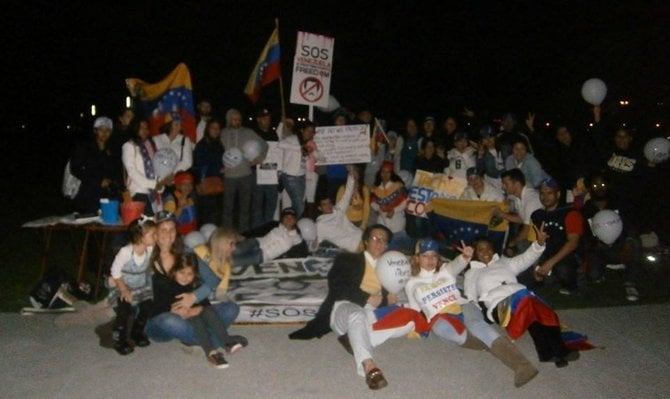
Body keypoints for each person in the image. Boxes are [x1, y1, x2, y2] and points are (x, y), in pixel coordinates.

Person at [290, 225, 420, 390]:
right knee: (357, 316)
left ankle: (354, 337)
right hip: (346, 308)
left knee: (409, 319)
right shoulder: (347, 259)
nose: (380, 243)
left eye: (384, 241)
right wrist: (366, 297)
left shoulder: (390, 265)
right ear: (366, 241)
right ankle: (369, 365)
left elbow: (396, 286)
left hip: (372, 314)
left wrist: (390, 297)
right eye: (375, 238)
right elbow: (337, 286)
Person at [405, 239, 538, 387]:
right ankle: (487, 344)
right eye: (425, 255)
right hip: (441, 315)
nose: (430, 260)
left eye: (433, 255)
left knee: (476, 325)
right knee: (448, 333)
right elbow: (414, 310)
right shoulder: (411, 283)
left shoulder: (445, 271)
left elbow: (458, 264)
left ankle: (523, 365)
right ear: (417, 258)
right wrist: (415, 328)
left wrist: (465, 256)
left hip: (462, 305)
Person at [464, 228, 580, 368]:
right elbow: (470, 297)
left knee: (538, 313)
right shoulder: (472, 273)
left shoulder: (505, 263)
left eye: (488, 249)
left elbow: (526, 258)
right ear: (475, 252)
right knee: (529, 300)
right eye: (481, 249)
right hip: (500, 308)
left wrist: (539, 243)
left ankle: (550, 352)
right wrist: (481, 316)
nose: (486, 252)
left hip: (523, 301)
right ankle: (556, 349)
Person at [145, 213, 242, 350]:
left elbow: (213, 280)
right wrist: (171, 310)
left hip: (193, 313)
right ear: (155, 232)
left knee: (232, 308)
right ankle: (221, 340)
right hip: (162, 318)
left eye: (172, 229)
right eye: (164, 229)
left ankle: (194, 339)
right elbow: (141, 298)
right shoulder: (144, 257)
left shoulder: (186, 252)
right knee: (169, 321)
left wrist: (194, 297)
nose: (169, 234)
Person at [152, 253, 248, 368]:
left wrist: (198, 308)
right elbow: (158, 307)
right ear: (174, 271)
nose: (185, 277)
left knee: (221, 309)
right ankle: (212, 351)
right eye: (181, 272)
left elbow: (205, 305)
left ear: (195, 274)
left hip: (199, 316)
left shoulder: (196, 283)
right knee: (191, 320)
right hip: (181, 320)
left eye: (190, 274)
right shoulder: (166, 284)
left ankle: (225, 341)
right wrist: (172, 310)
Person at [581, 173, 640, 301]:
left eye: (602, 184)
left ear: (608, 186)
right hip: (600, 248)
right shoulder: (587, 208)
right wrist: (595, 244)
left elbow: (630, 224)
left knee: (634, 243)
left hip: (621, 244)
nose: (599, 188)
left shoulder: (618, 203)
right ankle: (603, 269)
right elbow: (586, 234)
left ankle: (630, 282)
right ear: (590, 188)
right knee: (593, 276)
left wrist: (628, 241)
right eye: (595, 185)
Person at [107, 218, 157, 355]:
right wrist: (124, 290)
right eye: (153, 234)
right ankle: (119, 339)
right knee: (124, 310)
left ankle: (137, 332)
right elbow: (115, 271)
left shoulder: (150, 249)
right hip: (123, 285)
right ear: (141, 237)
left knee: (147, 306)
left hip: (140, 285)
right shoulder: (126, 252)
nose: (156, 237)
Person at [529, 178, 584, 295]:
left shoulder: (570, 213)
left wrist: (550, 263)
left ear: (558, 194)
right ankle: (550, 281)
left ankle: (574, 283)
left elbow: (573, 243)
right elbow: (536, 243)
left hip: (567, 257)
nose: (545, 197)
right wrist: (535, 266)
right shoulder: (537, 215)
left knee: (562, 270)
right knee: (527, 271)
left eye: (549, 193)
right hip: (546, 254)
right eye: (542, 193)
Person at [220, 108, 268, 233]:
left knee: (245, 208)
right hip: (228, 176)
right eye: (234, 119)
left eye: (239, 120)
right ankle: (226, 234)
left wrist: (259, 158)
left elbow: (264, 144)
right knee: (227, 208)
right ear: (229, 120)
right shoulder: (222, 133)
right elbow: (216, 152)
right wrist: (219, 167)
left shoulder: (248, 132)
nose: (237, 122)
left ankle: (244, 234)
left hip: (245, 175)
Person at [69, 116, 123, 213]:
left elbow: (116, 169)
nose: (104, 133)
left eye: (108, 131)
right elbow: (75, 168)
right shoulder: (84, 147)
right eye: (101, 130)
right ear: (95, 131)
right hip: (88, 194)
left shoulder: (112, 148)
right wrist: (97, 181)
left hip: (108, 194)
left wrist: (113, 182)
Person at [122, 118, 172, 216]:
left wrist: (161, 182)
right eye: (141, 128)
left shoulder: (150, 145)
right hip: (138, 192)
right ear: (135, 129)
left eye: (146, 128)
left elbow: (156, 168)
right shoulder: (129, 146)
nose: (145, 130)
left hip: (153, 192)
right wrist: (153, 184)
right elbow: (132, 172)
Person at [231, 207, 303, 266]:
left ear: (295, 221)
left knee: (232, 262)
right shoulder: (274, 224)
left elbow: (302, 252)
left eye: (291, 218)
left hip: (261, 256)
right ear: (282, 219)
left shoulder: (296, 238)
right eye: (286, 217)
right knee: (235, 250)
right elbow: (258, 230)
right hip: (256, 243)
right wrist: (243, 235)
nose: (288, 220)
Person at [315, 166, 364, 252]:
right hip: (354, 248)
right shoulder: (319, 225)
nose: (328, 206)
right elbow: (315, 244)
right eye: (324, 204)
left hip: (362, 235)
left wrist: (351, 173)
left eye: (329, 203)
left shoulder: (337, 210)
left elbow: (348, 193)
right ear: (319, 208)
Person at [495, 168, 542, 255]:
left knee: (515, 247)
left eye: (506, 184)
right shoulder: (517, 197)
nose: (503, 187)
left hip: (540, 238)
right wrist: (502, 214)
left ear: (516, 184)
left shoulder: (531, 200)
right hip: (532, 235)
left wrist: (511, 243)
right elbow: (521, 218)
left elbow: (525, 232)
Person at [370, 161, 411, 251]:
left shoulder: (398, 186)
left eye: (388, 172)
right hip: (382, 221)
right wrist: (379, 208)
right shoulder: (376, 188)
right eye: (383, 171)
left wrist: (394, 210)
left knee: (396, 246)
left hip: (397, 222)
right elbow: (372, 202)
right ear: (380, 173)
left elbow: (405, 202)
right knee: (383, 246)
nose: (385, 174)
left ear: (391, 173)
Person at [192, 117, 225, 225]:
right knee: (206, 216)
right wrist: (219, 169)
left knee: (217, 216)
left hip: (217, 186)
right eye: (213, 128)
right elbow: (200, 165)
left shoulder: (219, 145)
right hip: (206, 185)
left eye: (218, 128)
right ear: (207, 129)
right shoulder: (202, 145)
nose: (216, 130)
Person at [252, 108, 279, 229]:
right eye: (264, 118)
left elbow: (277, 154)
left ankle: (267, 228)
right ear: (258, 119)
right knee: (257, 203)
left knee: (272, 202)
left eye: (268, 118)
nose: (266, 120)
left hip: (271, 172)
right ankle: (257, 230)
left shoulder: (274, 134)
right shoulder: (252, 134)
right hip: (256, 173)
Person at [277, 118, 307, 218]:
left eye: (290, 126)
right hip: (287, 174)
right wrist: (281, 122)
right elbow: (279, 143)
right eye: (286, 126)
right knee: (291, 204)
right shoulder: (289, 139)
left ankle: (291, 224)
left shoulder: (299, 139)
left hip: (299, 175)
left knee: (294, 203)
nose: (287, 128)